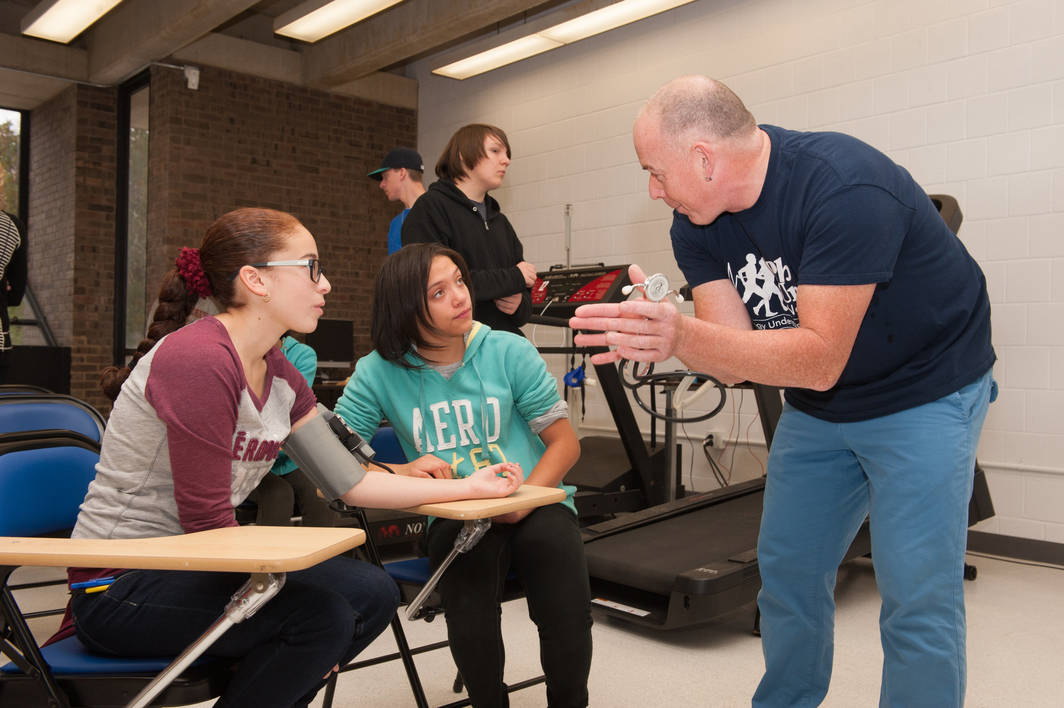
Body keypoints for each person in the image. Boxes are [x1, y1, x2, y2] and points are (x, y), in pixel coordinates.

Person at [569, 76, 995, 708]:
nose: (653, 189)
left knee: (916, 595)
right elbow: (735, 360)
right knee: (789, 573)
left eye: (655, 171)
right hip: (822, 406)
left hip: (925, 390)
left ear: (704, 159)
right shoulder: (696, 224)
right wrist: (671, 333)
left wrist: (681, 333)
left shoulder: (844, 187)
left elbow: (818, 357)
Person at [55, 207, 523, 708]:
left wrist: (469, 487)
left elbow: (352, 482)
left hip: (192, 567)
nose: (326, 284)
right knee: (320, 618)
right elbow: (207, 525)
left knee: (373, 591)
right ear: (256, 280)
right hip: (120, 586)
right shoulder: (198, 359)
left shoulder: (277, 368)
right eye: (311, 267)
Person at [335, 242, 592, 708]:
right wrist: (399, 469)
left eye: (459, 281)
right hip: (454, 510)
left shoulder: (508, 349)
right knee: (469, 600)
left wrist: (523, 502)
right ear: (406, 306)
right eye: (438, 291)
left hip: (533, 495)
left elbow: (565, 443)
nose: (460, 296)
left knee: (561, 584)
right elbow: (333, 462)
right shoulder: (376, 372)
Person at [401, 123, 537, 337]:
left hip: (502, 345)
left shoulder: (500, 223)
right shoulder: (430, 209)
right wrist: (513, 278)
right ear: (464, 155)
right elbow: (438, 285)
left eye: (507, 153)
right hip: (453, 346)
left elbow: (525, 299)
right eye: (495, 151)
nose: (506, 160)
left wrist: (519, 304)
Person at [246, 335, 340, 527]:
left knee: (322, 495)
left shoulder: (301, 355)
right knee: (279, 494)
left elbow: (289, 405)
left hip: (290, 459)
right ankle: (270, 557)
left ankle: (320, 556)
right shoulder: (239, 354)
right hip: (252, 461)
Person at [367, 147, 426, 254]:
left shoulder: (438, 212)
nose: (381, 184)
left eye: (385, 177)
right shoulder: (395, 224)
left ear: (402, 173)